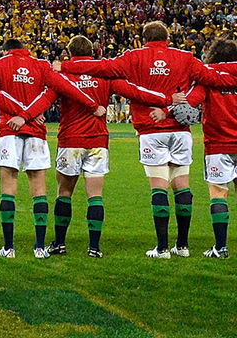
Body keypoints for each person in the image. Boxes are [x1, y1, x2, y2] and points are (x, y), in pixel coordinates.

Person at [60, 20, 237, 258]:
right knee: (182, 185)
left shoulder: (134, 56)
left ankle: (162, 247)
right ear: (167, 37)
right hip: (180, 130)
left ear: (144, 38)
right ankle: (182, 246)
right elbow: (212, 78)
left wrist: (68, 68)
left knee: (159, 187)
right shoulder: (185, 57)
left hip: (152, 129)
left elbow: (104, 68)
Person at [0, 36, 100, 259]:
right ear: (25, 50)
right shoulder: (41, 65)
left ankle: (9, 248)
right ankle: (39, 248)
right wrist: (92, 105)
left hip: (9, 131)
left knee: (8, 188)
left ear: (5, 50)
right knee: (38, 190)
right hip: (36, 133)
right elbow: (61, 88)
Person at [48, 34, 169, 259]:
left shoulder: (63, 75)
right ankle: (94, 247)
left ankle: (59, 244)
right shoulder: (105, 76)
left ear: (70, 54)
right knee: (95, 196)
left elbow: (46, 97)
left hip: (70, 140)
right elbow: (135, 92)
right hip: (98, 141)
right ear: (92, 54)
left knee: (64, 192)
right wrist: (166, 99)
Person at [176, 38, 237, 259]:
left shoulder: (208, 79)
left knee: (219, 194)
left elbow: (189, 103)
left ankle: (220, 248)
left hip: (218, 145)